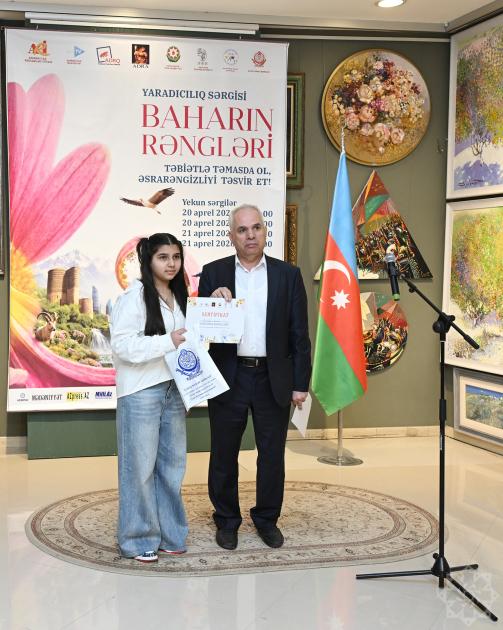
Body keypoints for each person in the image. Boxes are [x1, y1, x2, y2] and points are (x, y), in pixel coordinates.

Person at [198, 204, 311, 550]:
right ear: (231, 236)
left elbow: (299, 334)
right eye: (242, 230)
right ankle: (226, 520)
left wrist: (300, 383)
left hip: (272, 378)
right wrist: (211, 303)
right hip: (228, 376)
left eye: (256, 228)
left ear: (265, 231)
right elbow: (199, 329)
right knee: (223, 453)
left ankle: (266, 519)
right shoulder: (213, 272)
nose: (250, 235)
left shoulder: (287, 275)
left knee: (272, 455)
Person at [110, 233, 188, 563]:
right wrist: (167, 341)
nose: (171, 264)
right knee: (139, 469)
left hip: (174, 390)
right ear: (149, 260)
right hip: (141, 392)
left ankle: (170, 534)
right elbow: (122, 346)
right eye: (163, 257)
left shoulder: (180, 295)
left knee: (172, 467)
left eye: (176, 257)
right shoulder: (134, 297)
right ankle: (137, 538)